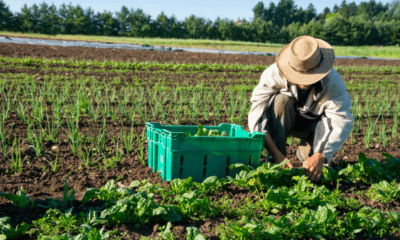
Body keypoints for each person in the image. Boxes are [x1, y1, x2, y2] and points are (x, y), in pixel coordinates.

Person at [248, 35, 354, 182]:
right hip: (283, 119)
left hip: (314, 126)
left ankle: (307, 152)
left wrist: (320, 156)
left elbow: (339, 120)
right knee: (281, 101)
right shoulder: (273, 74)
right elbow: (258, 116)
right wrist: (277, 156)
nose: (303, 83)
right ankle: (275, 160)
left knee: (311, 167)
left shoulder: (333, 83)